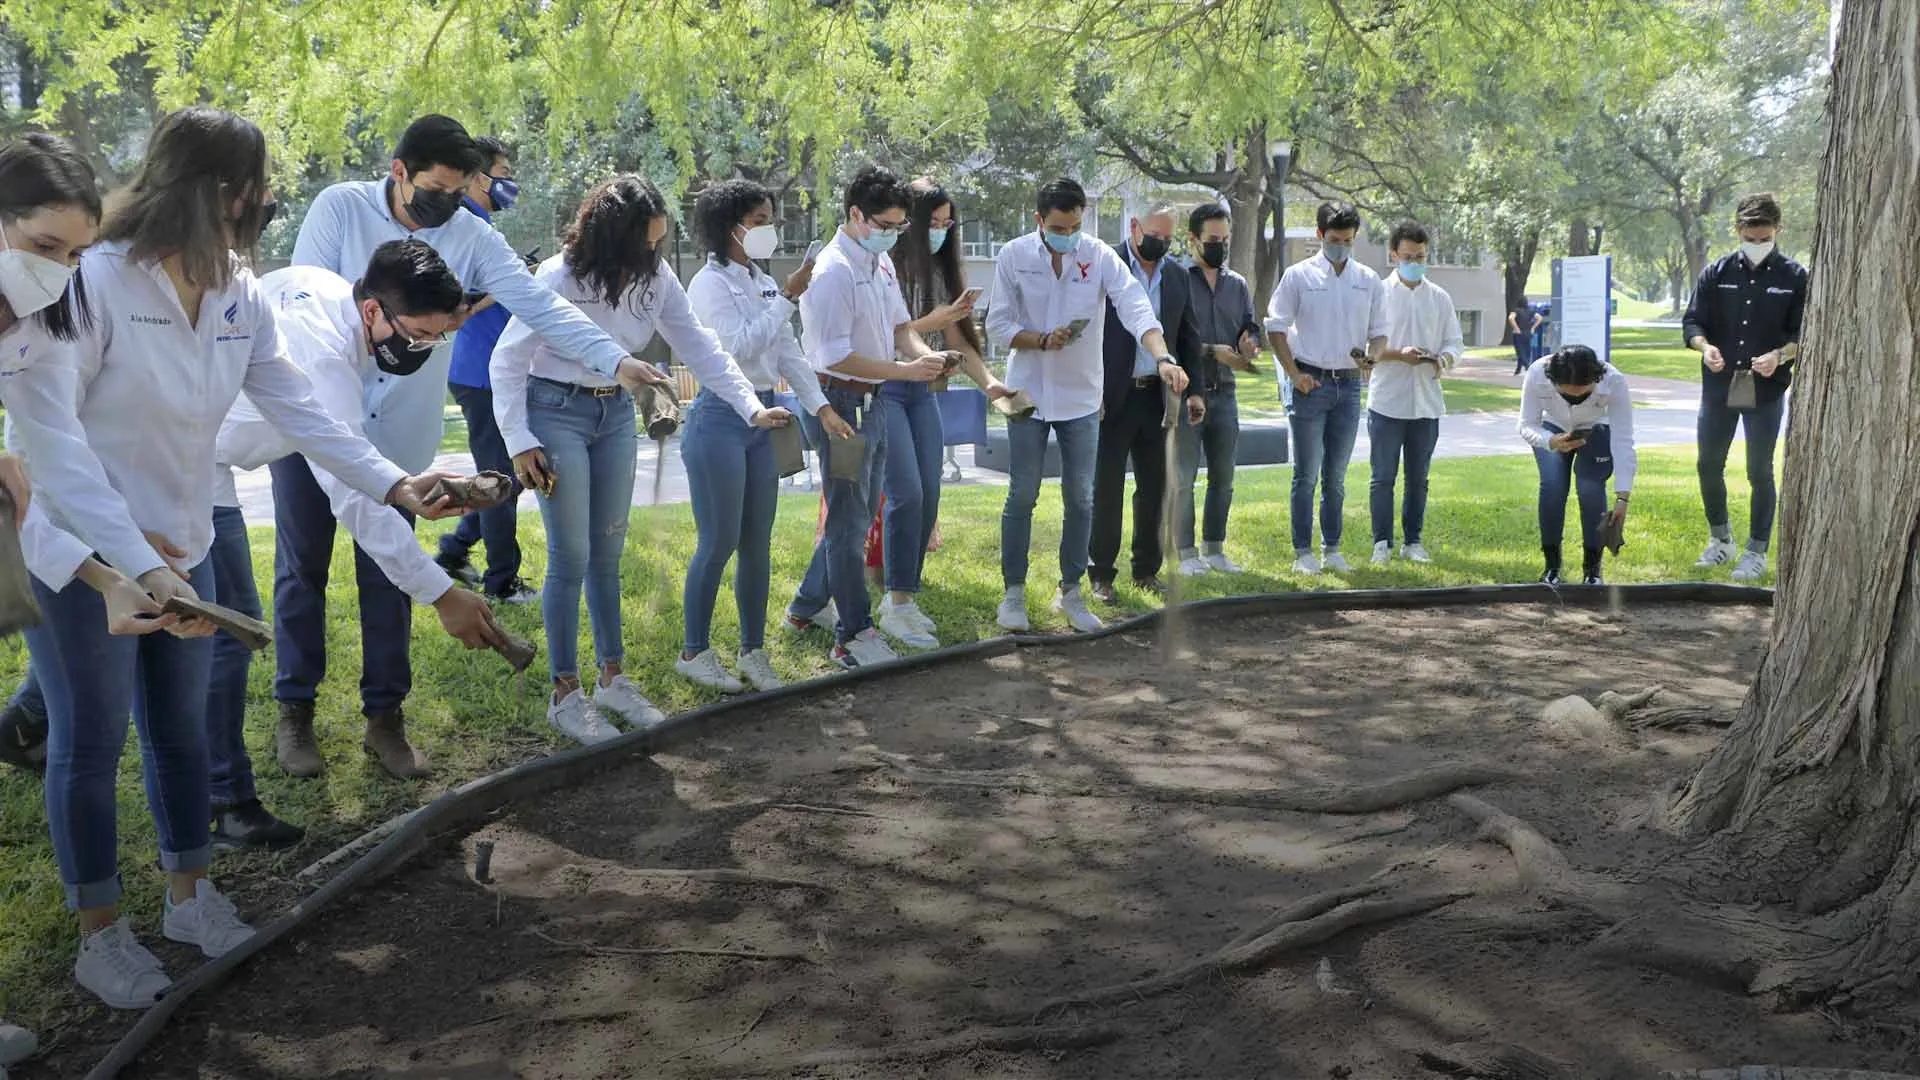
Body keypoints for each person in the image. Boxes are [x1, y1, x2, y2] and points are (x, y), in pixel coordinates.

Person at [4, 107, 461, 1009]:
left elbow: (298, 405)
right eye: (254, 192)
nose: (258, 208)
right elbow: (54, 449)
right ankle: (102, 933)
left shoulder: (238, 291)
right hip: (82, 551)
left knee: (184, 730)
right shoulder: (89, 282)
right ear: (223, 191)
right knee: (90, 744)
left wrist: (392, 485)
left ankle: (190, 898)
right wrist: (130, 562)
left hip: (190, 540)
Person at [287, 114, 668, 769]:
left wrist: (616, 362)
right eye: (435, 189)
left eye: (460, 192)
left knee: (388, 567)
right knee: (304, 568)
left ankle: (386, 717)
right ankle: (296, 714)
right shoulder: (339, 208)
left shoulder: (470, 233)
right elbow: (307, 304)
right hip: (310, 409)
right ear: (398, 171)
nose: (446, 206)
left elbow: (541, 307)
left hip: (401, 421)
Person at [496, 176, 787, 742]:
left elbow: (701, 343)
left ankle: (612, 679)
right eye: (645, 243)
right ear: (612, 237)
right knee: (571, 555)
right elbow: (506, 362)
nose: (653, 254)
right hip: (555, 410)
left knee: (607, 551)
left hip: (617, 415)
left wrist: (750, 407)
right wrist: (519, 440)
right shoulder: (558, 276)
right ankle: (565, 692)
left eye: (658, 243)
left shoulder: (655, 275)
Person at [220, 240, 511, 783]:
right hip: (205, 458)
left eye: (436, 337)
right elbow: (352, 489)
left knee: (372, 584)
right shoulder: (321, 351)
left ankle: (384, 718)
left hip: (313, 447)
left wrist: (397, 486)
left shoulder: (329, 292)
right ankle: (274, 733)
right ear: (374, 310)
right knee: (257, 603)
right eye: (420, 335)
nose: (424, 348)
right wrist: (443, 593)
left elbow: (352, 464)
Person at [985, 177, 1180, 632]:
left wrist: (1163, 356)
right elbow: (996, 323)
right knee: (1022, 493)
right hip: (1027, 392)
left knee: (1081, 497)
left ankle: (1071, 591)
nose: (1068, 234)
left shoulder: (1098, 254)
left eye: (1075, 225)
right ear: (1039, 221)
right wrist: (1038, 339)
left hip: (1081, 397)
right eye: (1059, 226)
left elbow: (1135, 307)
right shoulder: (1013, 255)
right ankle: (1013, 594)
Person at [679, 180, 849, 691]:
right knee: (719, 541)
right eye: (758, 221)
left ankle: (753, 651)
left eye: (768, 220)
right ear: (728, 227)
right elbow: (733, 350)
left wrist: (820, 409)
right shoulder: (707, 285)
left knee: (757, 542)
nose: (768, 230)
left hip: (768, 418)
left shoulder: (764, 280)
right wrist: (788, 299)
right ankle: (694, 651)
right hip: (721, 417)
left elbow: (787, 352)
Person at [783, 165, 951, 666]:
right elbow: (833, 356)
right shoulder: (832, 270)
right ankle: (853, 632)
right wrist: (907, 370)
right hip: (841, 405)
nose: (892, 235)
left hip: (875, 401)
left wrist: (926, 359)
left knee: (855, 512)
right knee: (850, 520)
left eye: (900, 226)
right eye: (885, 225)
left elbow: (901, 327)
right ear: (855, 214)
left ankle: (807, 606)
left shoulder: (877, 265)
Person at [874, 179, 1012, 644]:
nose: (940, 231)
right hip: (884, 387)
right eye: (932, 223)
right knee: (906, 494)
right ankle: (893, 602)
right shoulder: (883, 262)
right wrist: (930, 325)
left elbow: (957, 342)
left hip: (923, 392)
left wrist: (992, 385)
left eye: (947, 223)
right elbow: (892, 331)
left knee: (929, 493)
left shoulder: (938, 270)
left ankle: (904, 597)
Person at [1683, 191, 1805, 583]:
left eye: (1764, 239)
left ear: (1777, 231)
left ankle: (1755, 550)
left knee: (1759, 471)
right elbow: (1692, 323)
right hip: (1719, 386)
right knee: (1708, 465)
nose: (1756, 246)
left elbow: (1804, 335)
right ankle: (1721, 541)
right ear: (1737, 231)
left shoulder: (1795, 277)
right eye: (1750, 239)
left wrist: (1780, 356)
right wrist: (1705, 348)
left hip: (1766, 389)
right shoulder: (1716, 273)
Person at [435, 135, 536, 604]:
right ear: (478, 178)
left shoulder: (482, 223)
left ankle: (454, 550)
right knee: (501, 479)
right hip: (480, 371)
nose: (509, 182)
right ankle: (502, 582)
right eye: (503, 173)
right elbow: (459, 303)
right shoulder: (464, 225)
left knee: (505, 478)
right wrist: (512, 284)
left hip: (493, 370)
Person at [1087, 205, 1202, 602]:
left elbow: (1188, 335)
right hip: (1111, 397)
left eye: (1168, 239)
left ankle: (1145, 570)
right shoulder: (1107, 265)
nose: (1161, 244)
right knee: (1106, 488)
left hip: (1158, 396)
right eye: (1155, 235)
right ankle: (1100, 574)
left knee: (1154, 488)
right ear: (1134, 228)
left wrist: (1196, 391)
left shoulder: (1176, 275)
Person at [1265, 201, 1387, 574]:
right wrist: (1293, 374)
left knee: (1336, 475)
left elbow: (1379, 333)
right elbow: (1275, 327)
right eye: (1335, 239)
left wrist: (1372, 358)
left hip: (1348, 386)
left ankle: (1331, 548)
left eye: (1348, 240)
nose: (1341, 246)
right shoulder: (1298, 276)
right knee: (1307, 473)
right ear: (1319, 236)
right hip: (1309, 382)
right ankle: (1303, 552)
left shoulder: (1368, 280)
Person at [1368, 222, 1463, 566]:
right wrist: (1398, 354)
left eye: (1420, 257)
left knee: (1418, 479)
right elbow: (1366, 345)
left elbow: (1455, 341)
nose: (1414, 262)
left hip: (1426, 402)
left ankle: (1413, 541)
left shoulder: (1439, 297)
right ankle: (1382, 542)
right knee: (1382, 478)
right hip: (1387, 401)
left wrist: (1443, 359)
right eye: (1408, 256)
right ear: (1393, 255)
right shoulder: (1378, 293)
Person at [1176, 203, 1259, 578]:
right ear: (1193, 239)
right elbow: (1167, 339)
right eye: (1213, 240)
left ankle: (1215, 549)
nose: (1220, 247)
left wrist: (1250, 341)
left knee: (1223, 478)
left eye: (1225, 240)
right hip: (1186, 394)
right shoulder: (1176, 280)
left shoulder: (1237, 284)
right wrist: (1213, 352)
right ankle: (1185, 552)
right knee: (1183, 478)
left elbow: (1249, 325)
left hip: (1225, 393)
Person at [1518, 344, 1635, 585]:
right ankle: (1552, 567)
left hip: (1596, 428)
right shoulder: (1537, 372)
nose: (1575, 400)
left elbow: (1623, 439)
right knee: (1552, 488)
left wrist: (1623, 496)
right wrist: (1549, 441)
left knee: (1590, 489)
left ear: (1597, 379)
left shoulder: (1614, 380)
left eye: (1583, 395)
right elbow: (1526, 424)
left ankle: (1592, 570)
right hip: (1551, 429)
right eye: (1567, 395)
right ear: (1554, 381)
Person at [1507, 296, 1540, 375]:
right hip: (1528, 333)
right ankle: (1518, 369)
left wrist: (1516, 328)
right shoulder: (1530, 310)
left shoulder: (1516, 310)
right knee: (1527, 351)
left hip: (1518, 334)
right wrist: (1533, 328)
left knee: (1520, 352)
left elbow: (1511, 318)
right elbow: (1539, 318)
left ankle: (1527, 366)